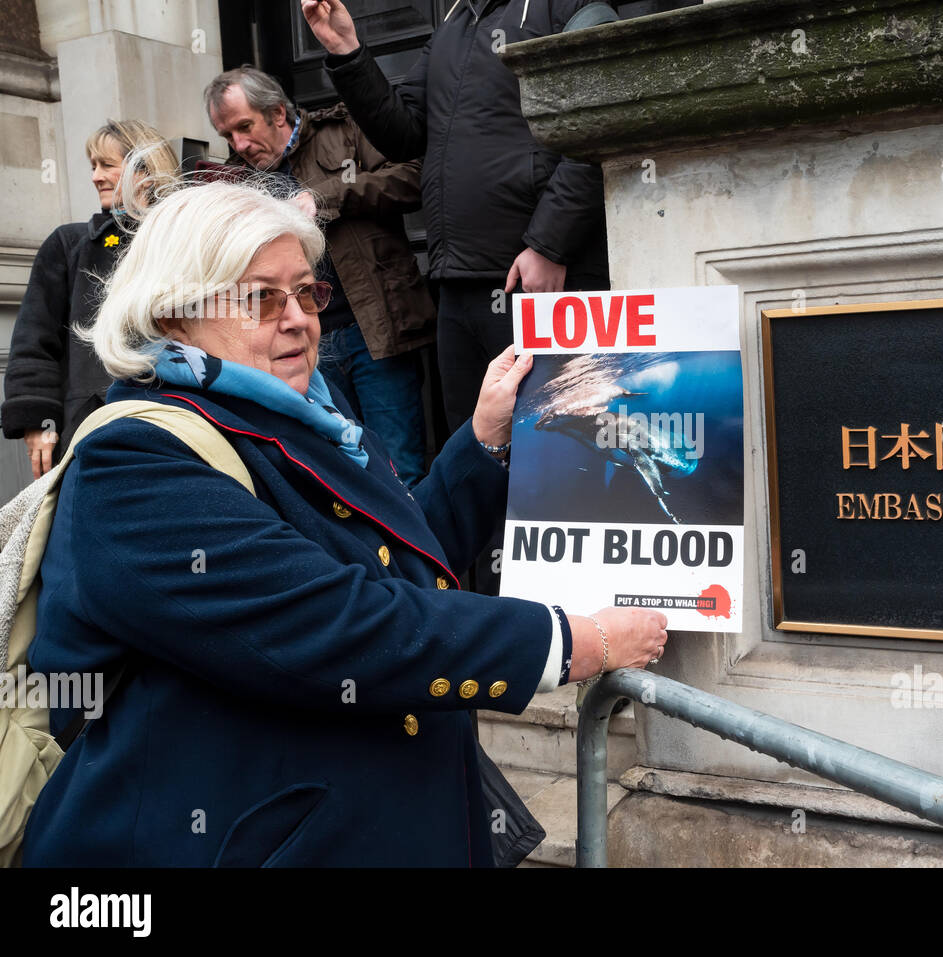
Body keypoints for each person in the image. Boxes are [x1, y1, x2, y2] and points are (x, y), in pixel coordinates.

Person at [21, 179, 667, 866]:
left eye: (306, 291)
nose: (297, 317)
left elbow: (397, 561)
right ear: (173, 315)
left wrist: (483, 440)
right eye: (261, 297)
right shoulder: (132, 459)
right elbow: (332, 621)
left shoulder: (306, 417)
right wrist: (572, 640)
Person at [302, 0, 611, 435]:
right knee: (475, 447)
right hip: (456, 284)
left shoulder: (565, 6)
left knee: (548, 446)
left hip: (533, 281)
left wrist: (549, 244)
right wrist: (347, 50)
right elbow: (403, 134)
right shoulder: (456, 21)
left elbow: (600, 122)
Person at [204, 65, 435, 486]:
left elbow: (413, 177)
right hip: (299, 343)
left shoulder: (341, 130)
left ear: (277, 114)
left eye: (244, 127)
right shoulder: (237, 178)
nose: (239, 144)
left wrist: (325, 197)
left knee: (399, 470)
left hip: (375, 333)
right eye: (228, 136)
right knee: (334, 471)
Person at [1, 120, 179, 478]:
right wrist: (42, 421)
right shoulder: (70, 244)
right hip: (87, 426)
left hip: (173, 419)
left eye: (107, 165)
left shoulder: (182, 241)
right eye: (93, 166)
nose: (96, 176)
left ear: (145, 170)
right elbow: (35, 342)